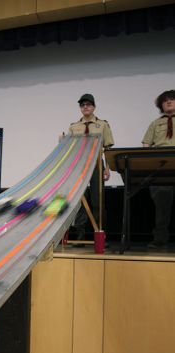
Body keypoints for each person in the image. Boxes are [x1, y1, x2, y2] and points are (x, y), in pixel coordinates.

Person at [64, 93, 114, 242]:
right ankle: (79, 234)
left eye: (88, 104)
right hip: (79, 167)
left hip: (97, 164)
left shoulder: (102, 124)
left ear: (93, 107)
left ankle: (99, 233)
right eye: (82, 105)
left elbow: (108, 148)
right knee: (79, 199)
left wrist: (107, 169)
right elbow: (68, 149)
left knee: (97, 200)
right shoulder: (74, 127)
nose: (85, 107)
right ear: (80, 108)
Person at [142, 90, 175, 248]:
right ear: (161, 104)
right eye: (165, 100)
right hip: (162, 166)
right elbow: (146, 145)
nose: (169, 102)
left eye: (172, 99)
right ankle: (160, 239)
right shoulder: (156, 123)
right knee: (162, 205)